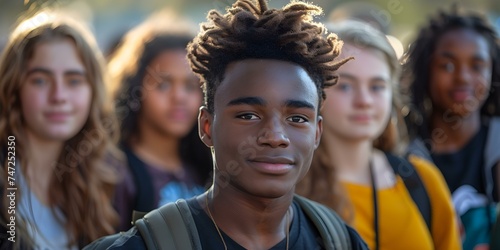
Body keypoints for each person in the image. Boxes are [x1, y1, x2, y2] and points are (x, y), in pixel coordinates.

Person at [84, 0, 368, 249]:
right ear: (206, 126)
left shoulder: (341, 241)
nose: (275, 136)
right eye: (248, 115)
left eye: (297, 118)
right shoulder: (141, 246)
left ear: (317, 132)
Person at [296, 21, 461, 250]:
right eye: (345, 86)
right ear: (314, 92)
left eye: (377, 86)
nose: (364, 101)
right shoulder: (287, 186)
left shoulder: (422, 180)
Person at [0, 10, 124, 249]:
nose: (59, 96)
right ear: (14, 88)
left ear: (93, 91)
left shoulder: (105, 178)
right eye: (40, 80)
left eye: (74, 80)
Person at [403, 6, 500, 250]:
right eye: (447, 65)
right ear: (425, 72)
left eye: (477, 66)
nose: (463, 78)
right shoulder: (401, 153)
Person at [107, 9, 212, 231]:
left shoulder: (207, 168)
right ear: (135, 88)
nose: (179, 98)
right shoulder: (115, 174)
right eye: (163, 84)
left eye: (191, 86)